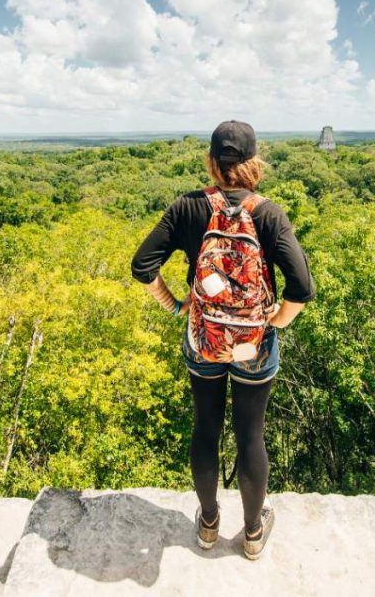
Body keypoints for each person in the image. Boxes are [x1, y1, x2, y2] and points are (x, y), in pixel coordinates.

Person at [130, 120, 315, 560]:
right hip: (253, 344)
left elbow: (142, 266)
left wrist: (176, 305)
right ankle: (252, 534)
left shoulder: (187, 208)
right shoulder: (268, 213)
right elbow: (302, 287)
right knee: (251, 435)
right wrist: (278, 321)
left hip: (203, 339)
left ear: (211, 162)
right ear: (254, 164)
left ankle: (209, 525)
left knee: (205, 429)